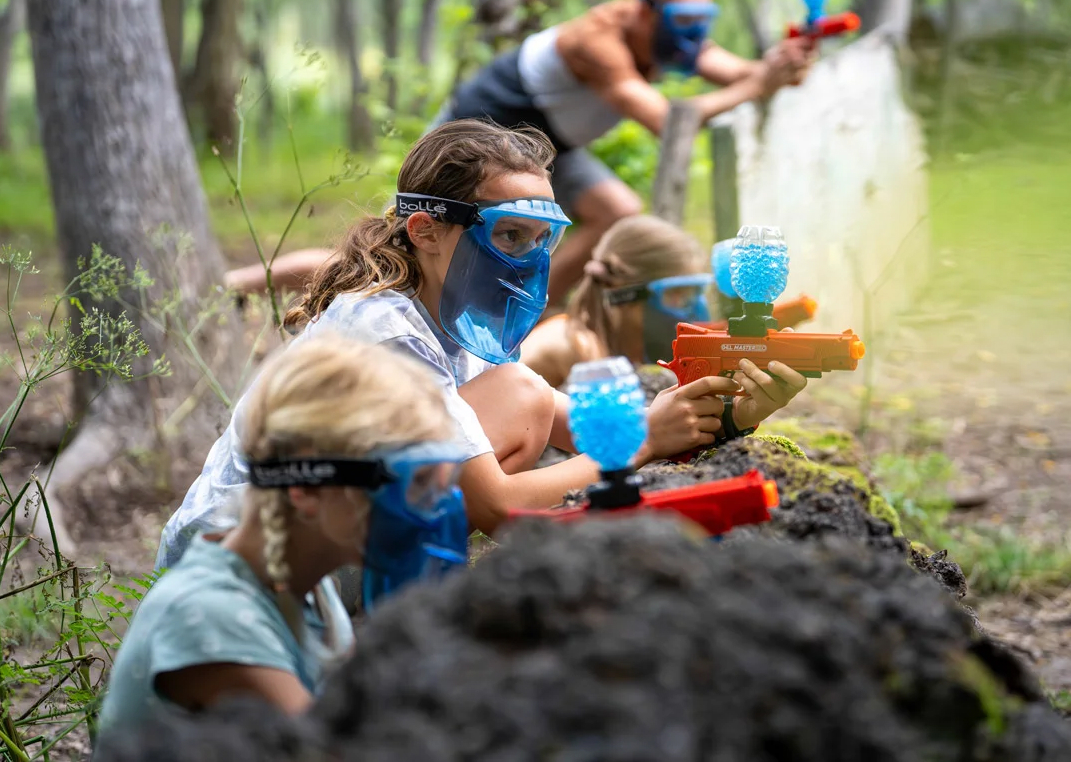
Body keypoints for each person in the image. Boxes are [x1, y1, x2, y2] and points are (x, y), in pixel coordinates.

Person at [157, 119, 809, 571]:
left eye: (542, 239)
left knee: (527, 398)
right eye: (509, 236)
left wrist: (730, 413)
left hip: (313, 536)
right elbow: (498, 504)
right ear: (426, 231)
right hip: (238, 562)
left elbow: (588, 428)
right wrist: (643, 440)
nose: (529, 258)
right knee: (523, 396)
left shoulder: (457, 318)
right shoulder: (385, 331)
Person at [221, 0, 816, 306]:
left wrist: (777, 66)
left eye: (698, 24)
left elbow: (739, 74)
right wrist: (758, 84)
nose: (691, 40)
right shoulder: (597, 41)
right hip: (477, 137)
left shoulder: (667, 34)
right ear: (644, 10)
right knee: (393, 251)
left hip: (547, 147)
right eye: (681, 23)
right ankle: (242, 282)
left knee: (618, 212)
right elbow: (669, 121)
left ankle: (530, 305)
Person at [97, 337, 470, 743]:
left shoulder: (309, 589)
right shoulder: (213, 617)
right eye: (412, 482)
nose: (430, 508)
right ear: (307, 490)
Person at [519, 214, 712, 388]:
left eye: (692, 295)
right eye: (675, 294)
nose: (692, 310)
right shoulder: (578, 347)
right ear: (624, 294)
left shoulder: (600, 343)